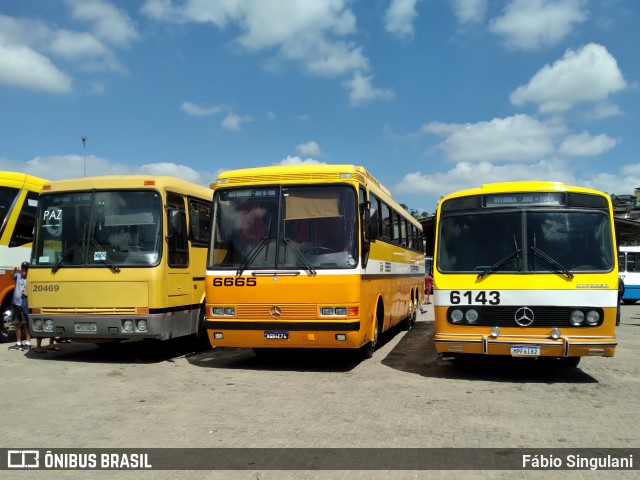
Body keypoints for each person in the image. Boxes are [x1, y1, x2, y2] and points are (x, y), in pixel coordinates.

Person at [8, 261, 31, 351]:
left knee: (26, 324)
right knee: (17, 324)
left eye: (26, 269)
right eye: (23, 268)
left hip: (25, 304)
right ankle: (19, 343)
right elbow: (11, 276)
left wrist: (28, 293)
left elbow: (34, 291)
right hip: (15, 303)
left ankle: (28, 343)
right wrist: (13, 272)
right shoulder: (18, 276)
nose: (24, 270)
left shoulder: (30, 279)